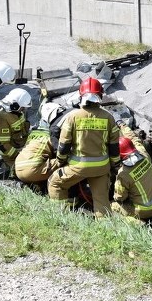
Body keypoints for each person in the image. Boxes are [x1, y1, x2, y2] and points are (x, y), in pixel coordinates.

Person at [49, 78, 120, 218]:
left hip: (78, 167)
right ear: (100, 96)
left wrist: (59, 161)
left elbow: (63, 145)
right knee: (101, 201)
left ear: (81, 95)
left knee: (55, 182)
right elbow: (114, 147)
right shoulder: (109, 118)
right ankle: (105, 232)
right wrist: (115, 166)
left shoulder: (73, 116)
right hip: (101, 169)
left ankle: (58, 218)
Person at [111, 124, 152, 221]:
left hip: (145, 211)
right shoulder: (144, 155)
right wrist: (122, 125)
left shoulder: (123, 174)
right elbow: (134, 139)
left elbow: (120, 197)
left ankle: (138, 223)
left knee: (111, 205)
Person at [15, 102, 66, 189]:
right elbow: (60, 152)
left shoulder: (33, 132)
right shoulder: (53, 134)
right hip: (32, 171)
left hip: (18, 170)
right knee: (67, 161)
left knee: (44, 160)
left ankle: (37, 185)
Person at [0, 88, 32, 175]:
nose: (23, 109)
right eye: (22, 107)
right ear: (15, 105)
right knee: (25, 172)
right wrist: (18, 156)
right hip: (11, 155)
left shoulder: (17, 112)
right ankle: (5, 166)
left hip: (22, 148)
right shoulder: (2, 118)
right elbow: (3, 145)